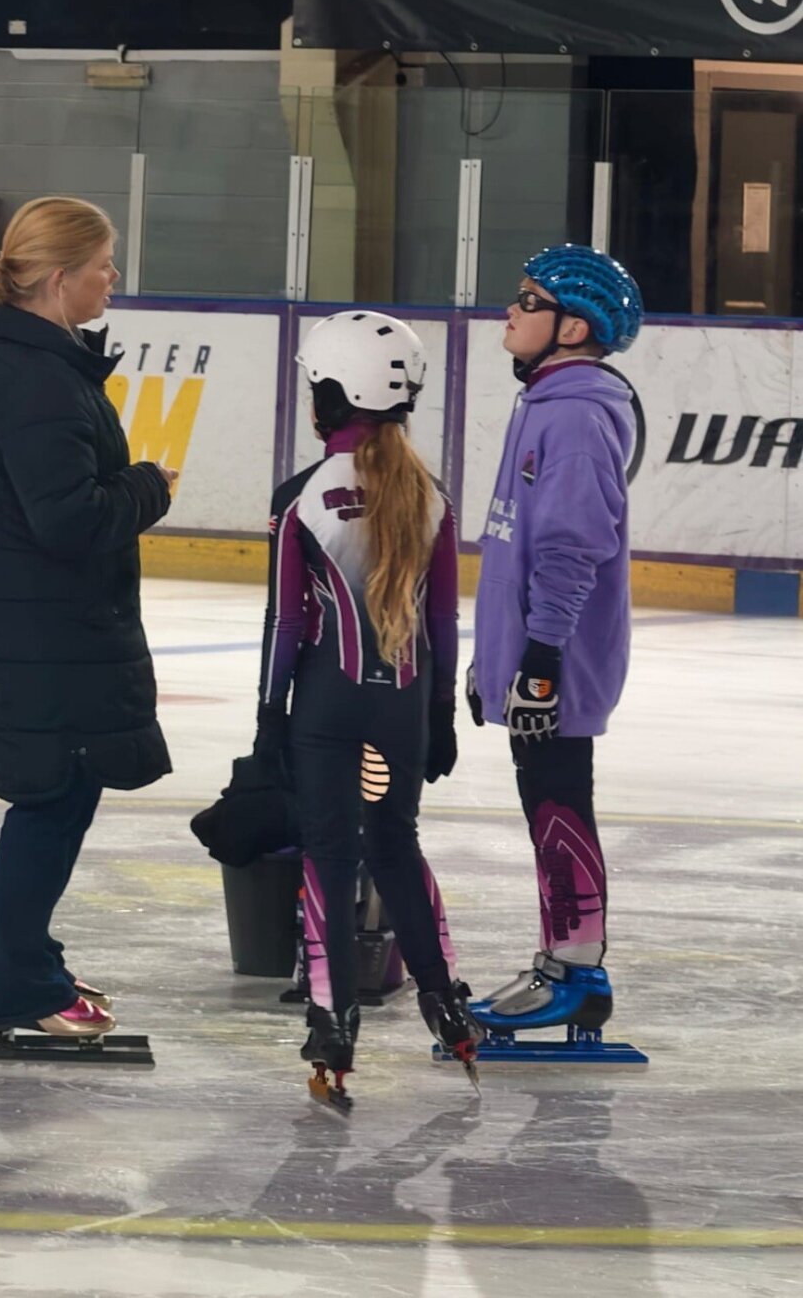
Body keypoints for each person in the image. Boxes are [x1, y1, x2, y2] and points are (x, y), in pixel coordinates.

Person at [0, 196, 176, 1038]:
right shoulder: (40, 377)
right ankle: (20, 986)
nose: (113, 277)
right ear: (58, 278)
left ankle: (29, 964)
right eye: (103, 264)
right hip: (37, 636)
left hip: (36, 630)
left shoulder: (38, 363)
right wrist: (149, 486)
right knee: (52, 799)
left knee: (61, 795)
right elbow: (69, 520)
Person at [255, 310, 483, 1111]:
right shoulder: (432, 497)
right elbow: (445, 622)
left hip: (325, 709)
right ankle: (446, 1003)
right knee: (394, 844)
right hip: (404, 710)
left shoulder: (301, 499)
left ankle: (332, 1023)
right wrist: (442, 715)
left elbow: (286, 623)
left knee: (328, 854)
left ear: (326, 397)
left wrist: (267, 714)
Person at [465, 244, 644, 1034]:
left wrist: (539, 663)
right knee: (546, 803)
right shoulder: (547, 398)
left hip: (558, 661)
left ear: (573, 327)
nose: (512, 309)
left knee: (561, 803)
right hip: (535, 656)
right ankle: (561, 959)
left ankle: (578, 971)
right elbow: (519, 547)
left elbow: (573, 545)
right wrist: (494, 658)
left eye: (529, 299)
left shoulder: (574, 412)